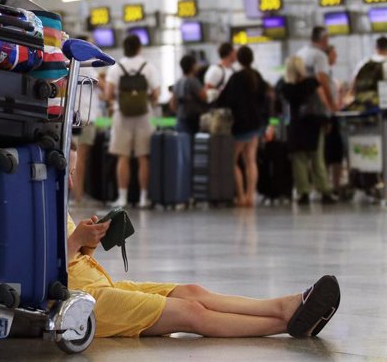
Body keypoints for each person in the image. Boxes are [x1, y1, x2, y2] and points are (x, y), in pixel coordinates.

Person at [66, 145, 340, 339]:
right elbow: (40, 276)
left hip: (99, 284)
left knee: (192, 291)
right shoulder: (32, 211)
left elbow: (70, 254)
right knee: (190, 312)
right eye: (68, 171)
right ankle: (286, 324)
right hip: (82, 300)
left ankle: (285, 306)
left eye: (73, 172)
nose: (69, 182)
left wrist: (87, 240)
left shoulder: (52, 202)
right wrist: (77, 239)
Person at [105, 35, 160, 208]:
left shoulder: (116, 67)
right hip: (144, 115)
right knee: (143, 157)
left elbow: (108, 95)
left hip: (122, 115)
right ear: (139, 48)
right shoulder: (148, 67)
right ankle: (144, 198)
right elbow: (157, 96)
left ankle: (122, 198)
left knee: (123, 157)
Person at [215, 46, 269, 207]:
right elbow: (264, 100)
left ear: (239, 59)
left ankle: (240, 196)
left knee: (233, 160)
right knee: (250, 160)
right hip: (256, 124)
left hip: (241, 125)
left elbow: (224, 100)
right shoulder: (257, 76)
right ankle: (250, 196)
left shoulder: (236, 77)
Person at [281, 56, 336, 205]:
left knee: (299, 161)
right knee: (317, 159)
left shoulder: (284, 86)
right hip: (313, 124)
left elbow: (282, 108)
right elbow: (322, 101)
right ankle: (324, 191)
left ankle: (303, 192)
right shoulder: (311, 83)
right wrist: (328, 118)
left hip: (295, 125)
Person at [71, 35, 106, 206]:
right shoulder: (86, 64)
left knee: (75, 158)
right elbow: (104, 86)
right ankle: (78, 196)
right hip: (85, 118)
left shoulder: (71, 63)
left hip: (75, 116)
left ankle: (76, 195)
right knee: (80, 159)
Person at [323, 45, 344, 195]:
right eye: (334, 54)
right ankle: (327, 186)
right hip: (328, 117)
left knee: (337, 153)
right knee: (328, 153)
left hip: (334, 116)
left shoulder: (330, 75)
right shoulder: (323, 75)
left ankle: (335, 185)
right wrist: (332, 109)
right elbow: (325, 95)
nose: (336, 57)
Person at [170, 54, 207, 135]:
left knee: (183, 145)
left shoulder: (177, 82)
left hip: (180, 119)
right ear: (193, 66)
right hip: (192, 121)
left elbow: (172, 104)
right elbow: (204, 97)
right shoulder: (193, 81)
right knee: (191, 145)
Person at [350, 36, 387, 110]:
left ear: (376, 48)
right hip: (382, 106)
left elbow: (353, 85)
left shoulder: (364, 63)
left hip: (364, 106)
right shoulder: (385, 63)